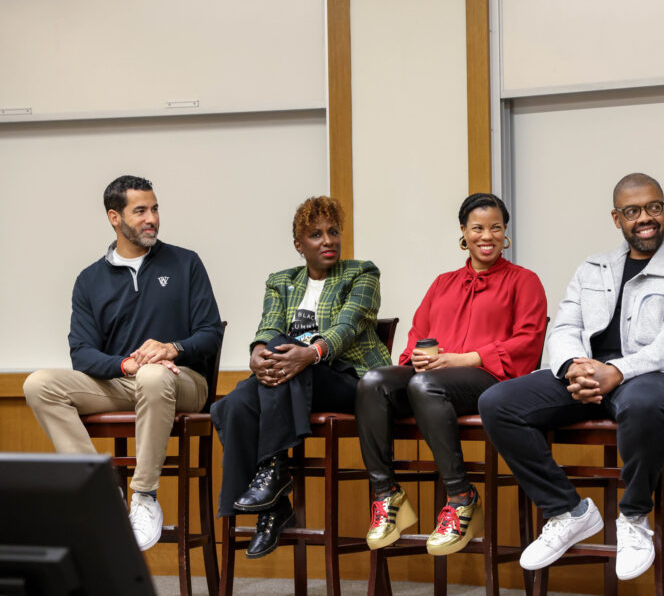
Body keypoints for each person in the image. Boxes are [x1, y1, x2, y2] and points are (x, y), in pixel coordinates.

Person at [479, 173, 664, 581]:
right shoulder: (592, 268)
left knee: (642, 401)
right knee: (498, 403)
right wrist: (574, 366)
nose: (644, 218)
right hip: (594, 378)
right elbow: (565, 327)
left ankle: (633, 518)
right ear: (617, 218)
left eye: (653, 208)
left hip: (663, 380)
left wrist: (618, 371)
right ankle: (567, 511)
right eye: (632, 211)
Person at [23, 175, 223, 552]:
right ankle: (101, 493)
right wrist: (126, 366)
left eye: (155, 209)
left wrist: (172, 348)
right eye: (140, 211)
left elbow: (211, 333)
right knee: (38, 385)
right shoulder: (89, 280)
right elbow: (82, 354)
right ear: (115, 218)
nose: (152, 218)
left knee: (153, 376)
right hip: (123, 382)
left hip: (182, 381)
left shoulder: (186, 263)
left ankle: (144, 496)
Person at [356, 193, 547, 556]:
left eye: (495, 227)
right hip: (430, 381)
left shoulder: (524, 281)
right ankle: (387, 495)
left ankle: (461, 498)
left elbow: (528, 341)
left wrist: (463, 359)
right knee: (373, 382)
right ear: (463, 231)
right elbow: (418, 334)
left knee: (425, 385)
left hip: (491, 382)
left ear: (505, 232)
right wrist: (418, 357)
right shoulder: (443, 283)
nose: (486, 236)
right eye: (478, 228)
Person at [211, 196, 391, 559]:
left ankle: (273, 474)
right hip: (292, 381)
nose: (328, 241)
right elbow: (268, 326)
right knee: (232, 405)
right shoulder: (281, 281)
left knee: (288, 356)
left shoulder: (361, 273)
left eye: (333, 232)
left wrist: (310, 353)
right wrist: (257, 353)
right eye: (316, 234)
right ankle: (274, 506)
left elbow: (348, 326)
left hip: (348, 380)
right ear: (299, 244)